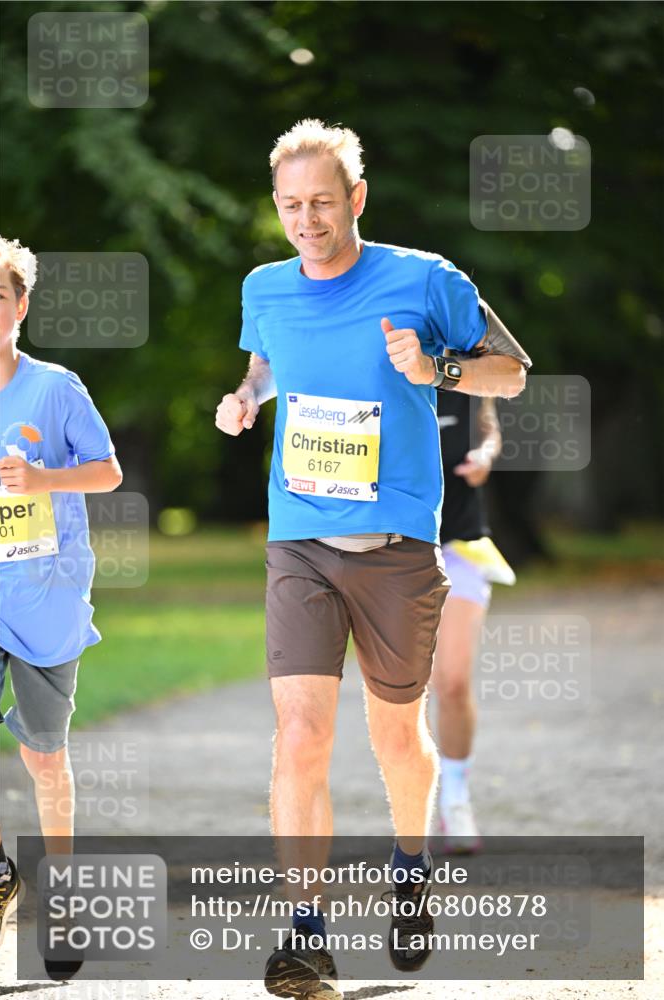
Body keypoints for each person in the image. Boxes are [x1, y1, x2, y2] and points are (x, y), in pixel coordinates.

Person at [215, 119, 531, 1000]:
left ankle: (409, 865)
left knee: (396, 736)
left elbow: (509, 372)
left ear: (356, 198)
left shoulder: (427, 278)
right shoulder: (265, 287)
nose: (306, 219)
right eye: (289, 205)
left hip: (397, 548)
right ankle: (304, 933)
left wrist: (435, 367)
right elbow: (265, 369)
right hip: (300, 539)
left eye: (321, 202)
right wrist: (242, 401)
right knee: (300, 735)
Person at [0, 235, 123, 978]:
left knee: (44, 757)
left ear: (21, 305)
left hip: (45, 593)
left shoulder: (56, 387)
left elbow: (107, 472)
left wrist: (42, 480)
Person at [432, 392, 515, 854]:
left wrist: (485, 454)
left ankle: (456, 798)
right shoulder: (378, 361)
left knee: (454, 681)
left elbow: (487, 424)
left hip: (462, 545)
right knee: (406, 689)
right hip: (395, 549)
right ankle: (410, 805)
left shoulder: (464, 360)